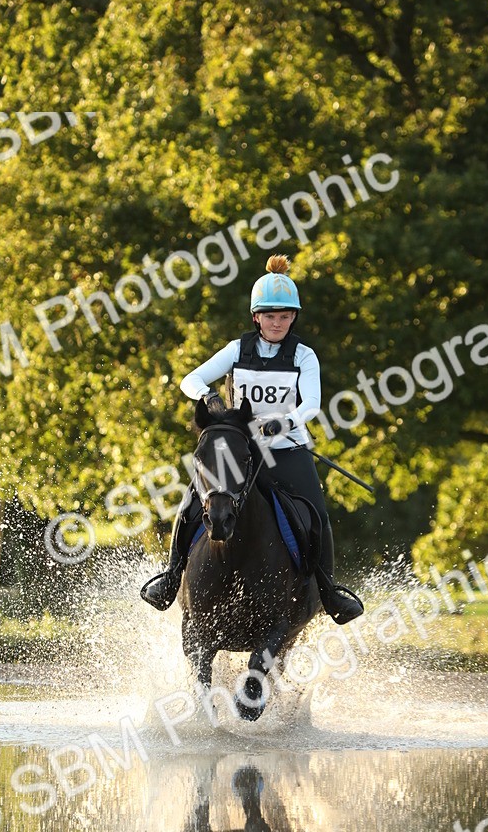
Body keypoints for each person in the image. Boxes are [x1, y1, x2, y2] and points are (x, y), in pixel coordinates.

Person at [140, 254, 363, 625]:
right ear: (256, 317)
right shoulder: (236, 350)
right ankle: (170, 578)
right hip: (239, 451)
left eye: (285, 316)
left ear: (294, 318)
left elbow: (312, 404)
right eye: (270, 316)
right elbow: (189, 380)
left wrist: (284, 423)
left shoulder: (304, 356)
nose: (278, 323)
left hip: (286, 451)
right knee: (190, 507)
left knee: (318, 517)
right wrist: (208, 398)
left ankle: (329, 592)